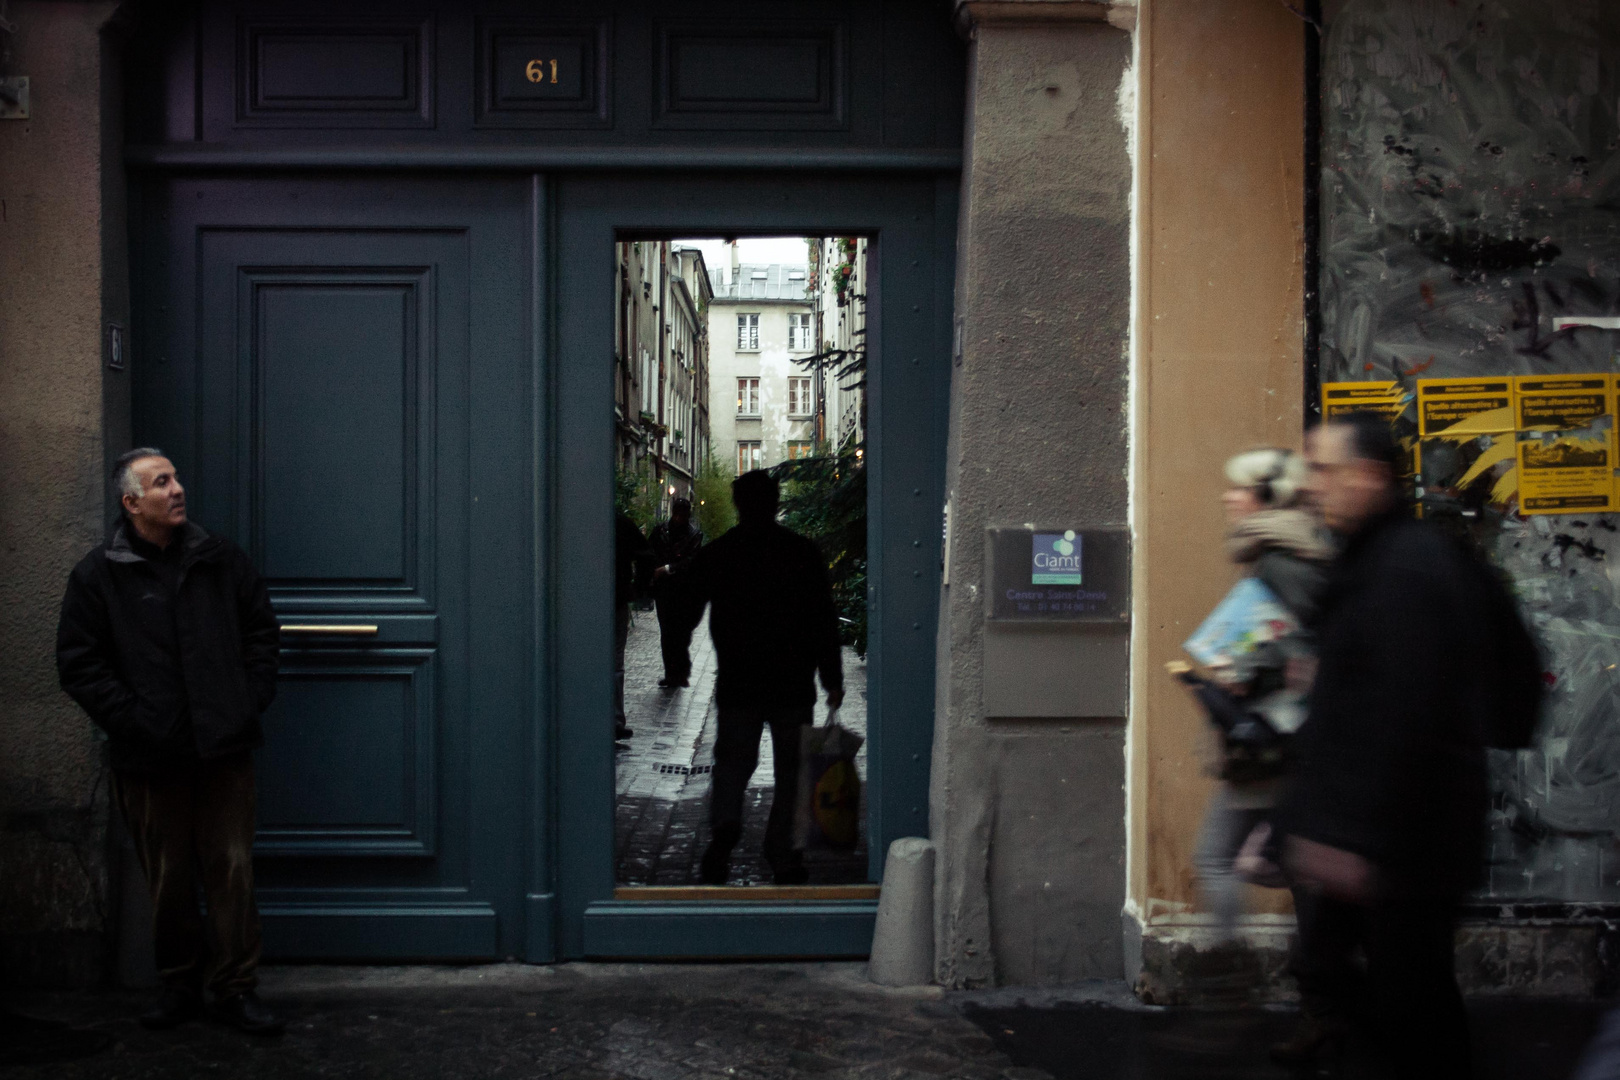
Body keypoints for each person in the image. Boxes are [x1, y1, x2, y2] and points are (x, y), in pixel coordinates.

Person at [1272, 412, 1493, 1077]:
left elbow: (1405, 717)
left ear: (1367, 477)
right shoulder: (1370, 560)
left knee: (1412, 1014)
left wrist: (1348, 837)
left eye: (1321, 469)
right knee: (1390, 1007)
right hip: (1376, 845)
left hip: (1397, 850)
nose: (1308, 485)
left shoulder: (1405, 569)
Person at [56, 449, 283, 1035]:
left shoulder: (219, 558)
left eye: (177, 477)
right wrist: (137, 720)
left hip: (223, 749)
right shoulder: (97, 576)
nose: (178, 489)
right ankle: (178, 985)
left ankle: (235, 989)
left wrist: (243, 700)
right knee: (168, 878)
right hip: (150, 758)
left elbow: (262, 631)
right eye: (162, 483)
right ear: (133, 503)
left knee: (231, 872)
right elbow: (80, 666)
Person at [1189, 448, 1331, 943]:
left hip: (1272, 740)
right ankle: (1322, 972)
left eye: (1240, 489)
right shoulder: (1298, 551)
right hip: (1296, 741)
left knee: (1215, 858)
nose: (1229, 497)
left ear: (1268, 497)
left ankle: (1230, 969)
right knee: (1298, 863)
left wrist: (1243, 672)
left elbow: (1299, 649)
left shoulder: (1278, 563)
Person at [688, 470, 843, 885]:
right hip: (792, 683)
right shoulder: (801, 553)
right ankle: (783, 854)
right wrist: (832, 678)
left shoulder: (723, 552)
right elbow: (823, 621)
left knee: (733, 763)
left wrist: (680, 656)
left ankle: (725, 823)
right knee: (791, 772)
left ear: (739, 505)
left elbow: (687, 600)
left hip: (739, 681)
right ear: (776, 503)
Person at [647, 498, 704, 688]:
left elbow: (691, 562)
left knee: (679, 633)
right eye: (678, 514)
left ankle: (677, 673)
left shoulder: (694, 535)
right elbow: (649, 553)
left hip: (683, 591)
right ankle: (670, 673)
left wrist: (667, 568)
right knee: (667, 632)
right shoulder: (661, 531)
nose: (680, 518)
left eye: (683, 515)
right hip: (664, 590)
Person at [614, 511, 651, 742]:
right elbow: (646, 555)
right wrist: (638, 589)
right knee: (615, 662)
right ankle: (614, 719)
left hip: (583, 602)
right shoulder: (620, 522)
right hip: (616, 598)